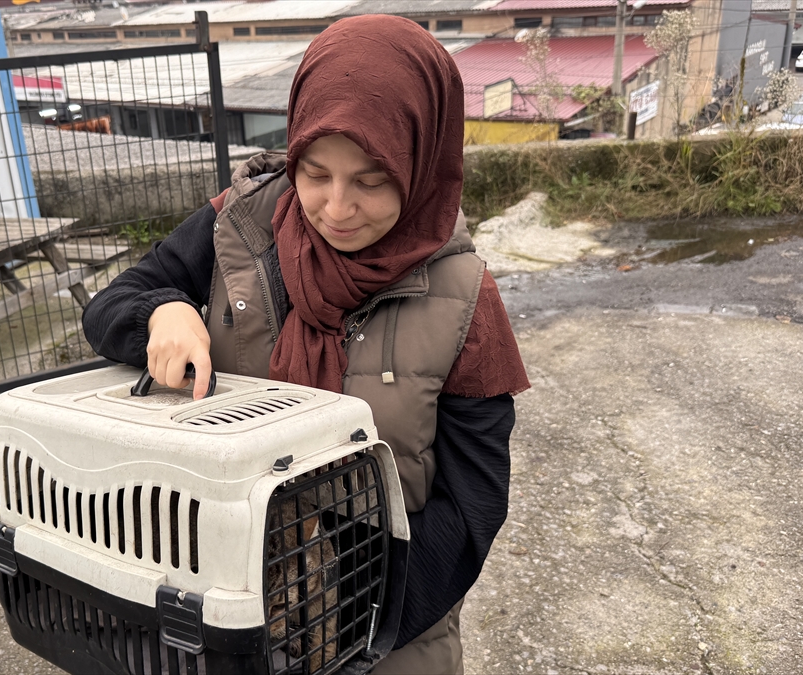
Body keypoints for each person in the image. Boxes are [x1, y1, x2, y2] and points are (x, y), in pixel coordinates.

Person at [83, 15, 529, 674]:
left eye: (371, 180)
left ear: (421, 160)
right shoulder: (240, 224)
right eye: (314, 172)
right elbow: (111, 304)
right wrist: (165, 309)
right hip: (221, 611)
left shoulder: (464, 296)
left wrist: (347, 630)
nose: (336, 207)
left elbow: (472, 508)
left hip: (388, 632)